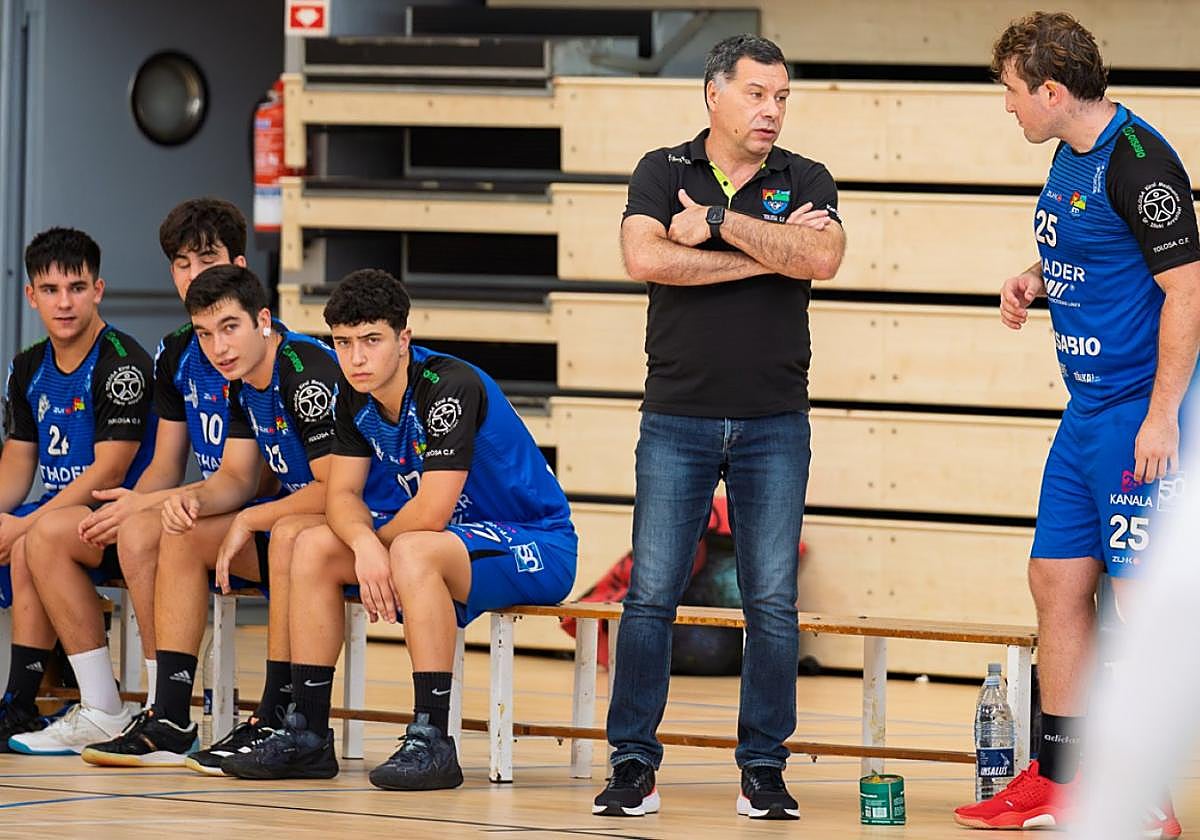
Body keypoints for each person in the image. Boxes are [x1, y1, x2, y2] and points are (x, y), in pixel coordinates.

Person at [952, 13, 1200, 837]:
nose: (1010, 107)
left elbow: (1187, 290)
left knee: (1137, 600)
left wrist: (1162, 417)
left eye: (1014, 93)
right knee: (1056, 581)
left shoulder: (1141, 163)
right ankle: (1061, 778)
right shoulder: (1067, 154)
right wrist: (1034, 277)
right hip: (1085, 412)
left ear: (1053, 90)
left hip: (1139, 414)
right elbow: (1096, 250)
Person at [592, 34, 845, 821]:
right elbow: (646, 259)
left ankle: (763, 769)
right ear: (714, 93)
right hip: (677, 416)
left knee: (771, 603)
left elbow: (825, 258)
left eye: (782, 97)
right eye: (756, 94)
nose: (771, 110)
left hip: (776, 421)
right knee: (650, 596)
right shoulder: (660, 169)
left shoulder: (805, 176)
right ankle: (633, 763)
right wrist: (773, 252)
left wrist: (714, 222)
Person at [220, 268, 576, 790]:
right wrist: (363, 543)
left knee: (412, 549)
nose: (356, 358)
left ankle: (433, 739)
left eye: (371, 341)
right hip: (447, 541)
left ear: (403, 339)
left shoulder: (448, 386)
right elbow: (341, 496)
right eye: (343, 343)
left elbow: (431, 511)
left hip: (535, 540)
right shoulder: (353, 394)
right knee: (313, 544)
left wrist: (374, 544)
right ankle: (308, 734)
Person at [9, 199, 257, 758]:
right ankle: (103, 707)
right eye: (182, 264)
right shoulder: (177, 350)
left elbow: (251, 480)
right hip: (205, 506)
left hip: (255, 520)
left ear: (239, 266)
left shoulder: (255, 346)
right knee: (46, 534)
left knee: (148, 528)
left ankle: (165, 710)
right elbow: (165, 464)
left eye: (208, 260)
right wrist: (133, 503)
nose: (193, 275)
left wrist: (145, 508)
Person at [80, 264, 340, 769]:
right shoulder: (241, 380)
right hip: (305, 518)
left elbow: (337, 492)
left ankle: (276, 715)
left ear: (262, 320)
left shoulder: (303, 372)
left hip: (360, 523)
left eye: (229, 328)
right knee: (183, 531)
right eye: (204, 334)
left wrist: (249, 519)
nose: (218, 347)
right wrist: (191, 500)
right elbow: (236, 478)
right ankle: (172, 718)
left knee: (286, 533)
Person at [0, 227, 156, 752]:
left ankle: (101, 705)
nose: (64, 303)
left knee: (35, 535)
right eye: (50, 290)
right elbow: (18, 461)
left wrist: (24, 523)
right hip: (61, 516)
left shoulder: (122, 362)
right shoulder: (28, 366)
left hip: (122, 518)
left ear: (98, 290)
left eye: (76, 288)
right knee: (27, 535)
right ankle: (19, 705)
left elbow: (109, 471)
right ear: (31, 295)